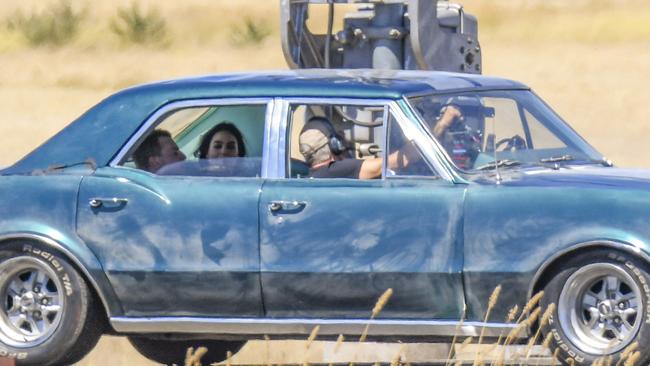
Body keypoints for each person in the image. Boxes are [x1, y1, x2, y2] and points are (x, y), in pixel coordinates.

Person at [299, 106, 462, 179]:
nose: (343, 137)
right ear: (334, 145)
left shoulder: (317, 175)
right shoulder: (337, 170)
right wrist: (442, 124)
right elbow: (400, 160)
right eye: (337, 137)